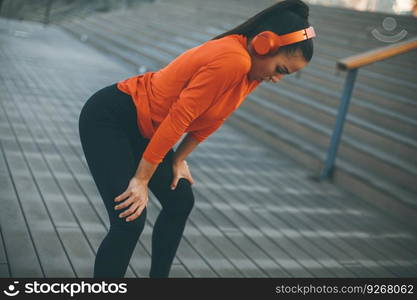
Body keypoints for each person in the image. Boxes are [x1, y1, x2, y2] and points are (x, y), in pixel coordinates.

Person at [78, 0, 315, 278]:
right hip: (111, 118)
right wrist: (141, 179)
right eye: (280, 70)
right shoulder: (234, 59)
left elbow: (212, 120)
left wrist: (179, 159)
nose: (277, 79)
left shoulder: (252, 73)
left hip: (148, 130)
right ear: (265, 45)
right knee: (129, 219)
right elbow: (180, 117)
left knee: (180, 202)